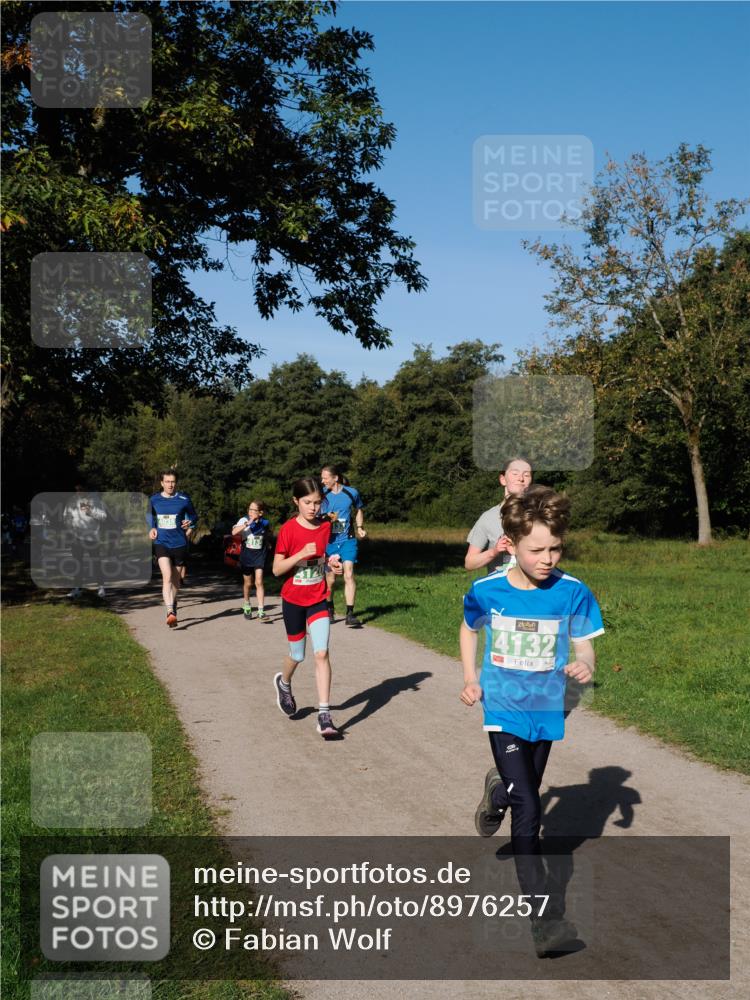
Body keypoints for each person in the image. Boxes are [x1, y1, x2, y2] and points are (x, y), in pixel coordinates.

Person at [459, 485, 604, 957]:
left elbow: (584, 643)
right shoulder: (488, 589)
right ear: (512, 545)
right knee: (530, 809)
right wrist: (469, 677)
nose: (547, 558)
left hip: (548, 707)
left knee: (522, 789)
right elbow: (468, 627)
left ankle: (497, 790)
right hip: (502, 705)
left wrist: (587, 665)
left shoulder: (572, 592)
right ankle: (544, 920)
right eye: (536, 549)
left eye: (555, 548)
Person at [272, 477, 344, 739]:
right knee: (297, 655)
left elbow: (325, 560)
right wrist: (300, 554)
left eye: (317, 502)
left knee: (322, 653)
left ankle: (324, 714)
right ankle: (284, 682)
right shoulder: (288, 530)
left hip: (317, 598)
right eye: (307, 503)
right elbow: (277, 569)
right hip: (293, 601)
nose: (313, 508)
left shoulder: (326, 526)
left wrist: (331, 566)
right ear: (296, 502)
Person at [147, 469, 197, 628]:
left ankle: (172, 603)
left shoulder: (184, 499)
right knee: (167, 575)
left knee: (176, 581)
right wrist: (151, 528)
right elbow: (148, 515)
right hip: (161, 542)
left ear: (176, 483)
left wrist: (190, 523)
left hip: (179, 543)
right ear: (162, 483)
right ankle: (170, 612)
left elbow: (194, 516)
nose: (170, 485)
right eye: (167, 482)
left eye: (173, 482)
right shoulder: (154, 499)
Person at [464, 457, 533, 573]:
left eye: (526, 475)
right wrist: (494, 551)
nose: (521, 478)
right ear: (503, 480)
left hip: (531, 588)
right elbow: (469, 563)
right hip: (499, 589)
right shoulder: (488, 517)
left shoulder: (539, 515)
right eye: (515, 473)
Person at [320, 465, 366, 627]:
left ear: (335, 478)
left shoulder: (351, 492)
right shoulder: (322, 495)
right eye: (322, 478)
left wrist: (360, 527)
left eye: (325, 478)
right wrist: (326, 519)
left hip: (348, 539)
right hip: (329, 542)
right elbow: (316, 517)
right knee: (331, 579)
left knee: (349, 574)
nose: (322, 481)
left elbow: (359, 509)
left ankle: (350, 614)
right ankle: (329, 608)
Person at [63, 485, 108, 598]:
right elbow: (66, 516)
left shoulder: (95, 500)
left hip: (92, 537)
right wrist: (70, 529)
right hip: (76, 537)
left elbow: (104, 516)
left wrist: (91, 511)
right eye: (77, 489)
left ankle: (101, 587)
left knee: (96, 562)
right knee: (77, 563)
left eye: (81, 489)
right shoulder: (72, 501)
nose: (78, 492)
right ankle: (77, 588)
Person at [232, 500, 272, 620]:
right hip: (247, 555)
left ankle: (261, 611)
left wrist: (268, 543)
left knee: (259, 582)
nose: (250, 512)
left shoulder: (264, 523)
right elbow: (233, 532)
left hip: (259, 554)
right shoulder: (243, 520)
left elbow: (266, 534)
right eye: (249, 509)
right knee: (248, 583)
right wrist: (247, 524)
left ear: (260, 513)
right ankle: (247, 604)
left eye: (253, 510)